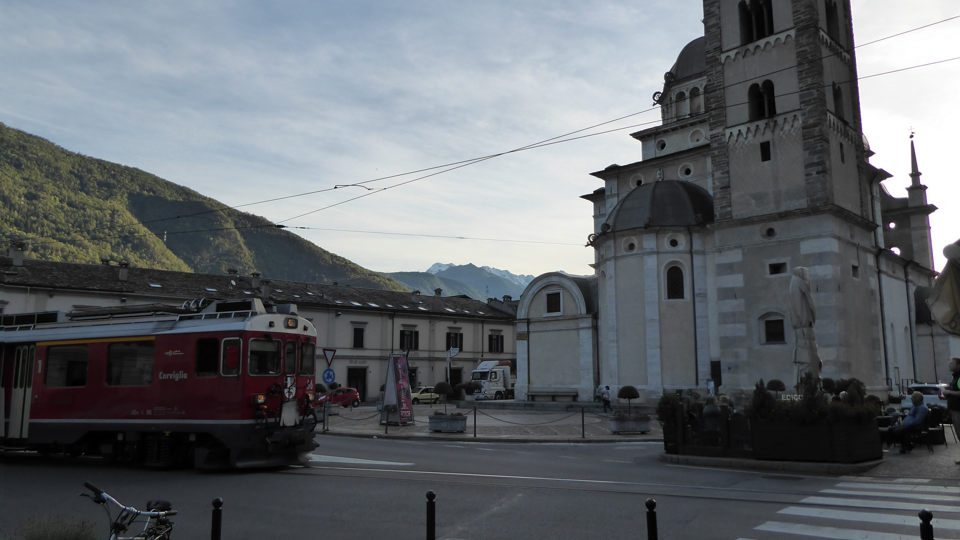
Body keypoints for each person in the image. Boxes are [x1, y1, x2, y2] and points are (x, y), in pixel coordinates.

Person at [942, 356, 960, 464]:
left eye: (952, 363)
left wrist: (949, 393)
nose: (950, 365)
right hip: (955, 408)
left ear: (958, 365)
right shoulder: (956, 377)